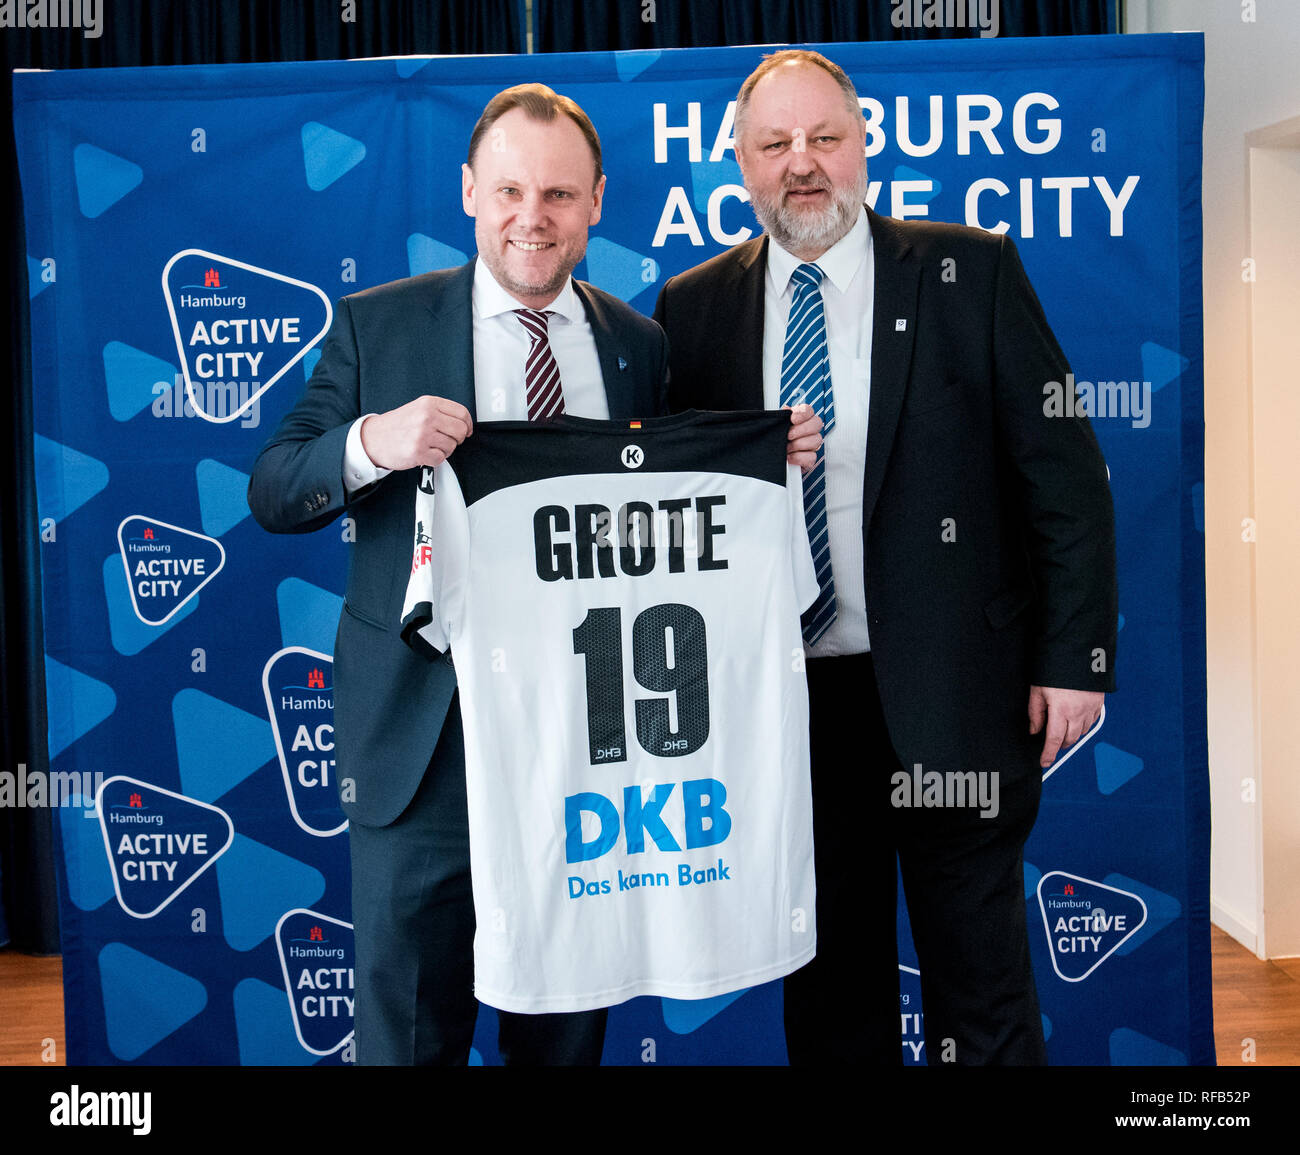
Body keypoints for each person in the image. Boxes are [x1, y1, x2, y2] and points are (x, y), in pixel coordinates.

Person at [249, 82, 819, 1065]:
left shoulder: (640, 346)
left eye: (558, 196)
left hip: (584, 752)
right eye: (509, 191)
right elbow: (273, 489)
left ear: (596, 201)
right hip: (425, 749)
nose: (531, 219)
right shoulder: (376, 328)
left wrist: (765, 460)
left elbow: (674, 516)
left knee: (562, 1030)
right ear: (470, 191)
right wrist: (372, 442)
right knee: (410, 1031)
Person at [652, 50, 1117, 1065]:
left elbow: (1067, 480)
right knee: (828, 1001)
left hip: (960, 695)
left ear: (864, 146)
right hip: (788, 715)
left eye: (824, 137)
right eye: (775, 144)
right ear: (739, 162)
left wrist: (1072, 661)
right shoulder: (691, 309)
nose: (802, 163)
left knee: (981, 992)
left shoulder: (971, 269)